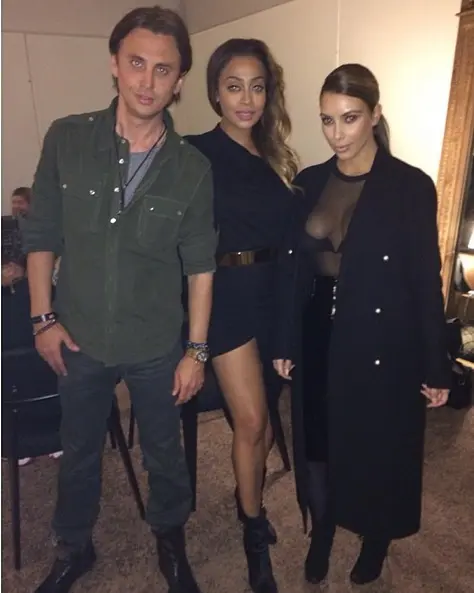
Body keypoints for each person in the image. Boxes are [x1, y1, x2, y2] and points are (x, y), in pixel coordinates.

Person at [23, 7, 216, 593]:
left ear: (179, 79)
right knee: (79, 449)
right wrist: (42, 319)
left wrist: (196, 351)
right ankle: (73, 547)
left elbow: (200, 267)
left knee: (164, 452)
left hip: (155, 342)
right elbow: (42, 236)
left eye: (163, 69)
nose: (147, 82)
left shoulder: (191, 168)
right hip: (78, 336)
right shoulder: (67, 138)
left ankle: (170, 539)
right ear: (114, 63)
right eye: (136, 63)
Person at [274, 63, 450, 586]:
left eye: (349, 118)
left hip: (382, 335)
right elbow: (293, 272)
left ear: (374, 114)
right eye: (327, 120)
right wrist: (285, 339)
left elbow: (426, 278)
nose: (337, 133)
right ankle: (324, 527)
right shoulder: (309, 182)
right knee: (319, 444)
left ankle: (376, 536)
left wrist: (436, 364)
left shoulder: (409, 186)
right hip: (317, 332)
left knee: (377, 443)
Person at [186, 38, 298, 593]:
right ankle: (253, 529)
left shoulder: (277, 156)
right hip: (226, 294)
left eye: (257, 87)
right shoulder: (193, 152)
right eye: (234, 87)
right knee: (252, 422)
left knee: (266, 426)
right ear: (215, 92)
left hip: (274, 296)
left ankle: (245, 493)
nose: (247, 99)